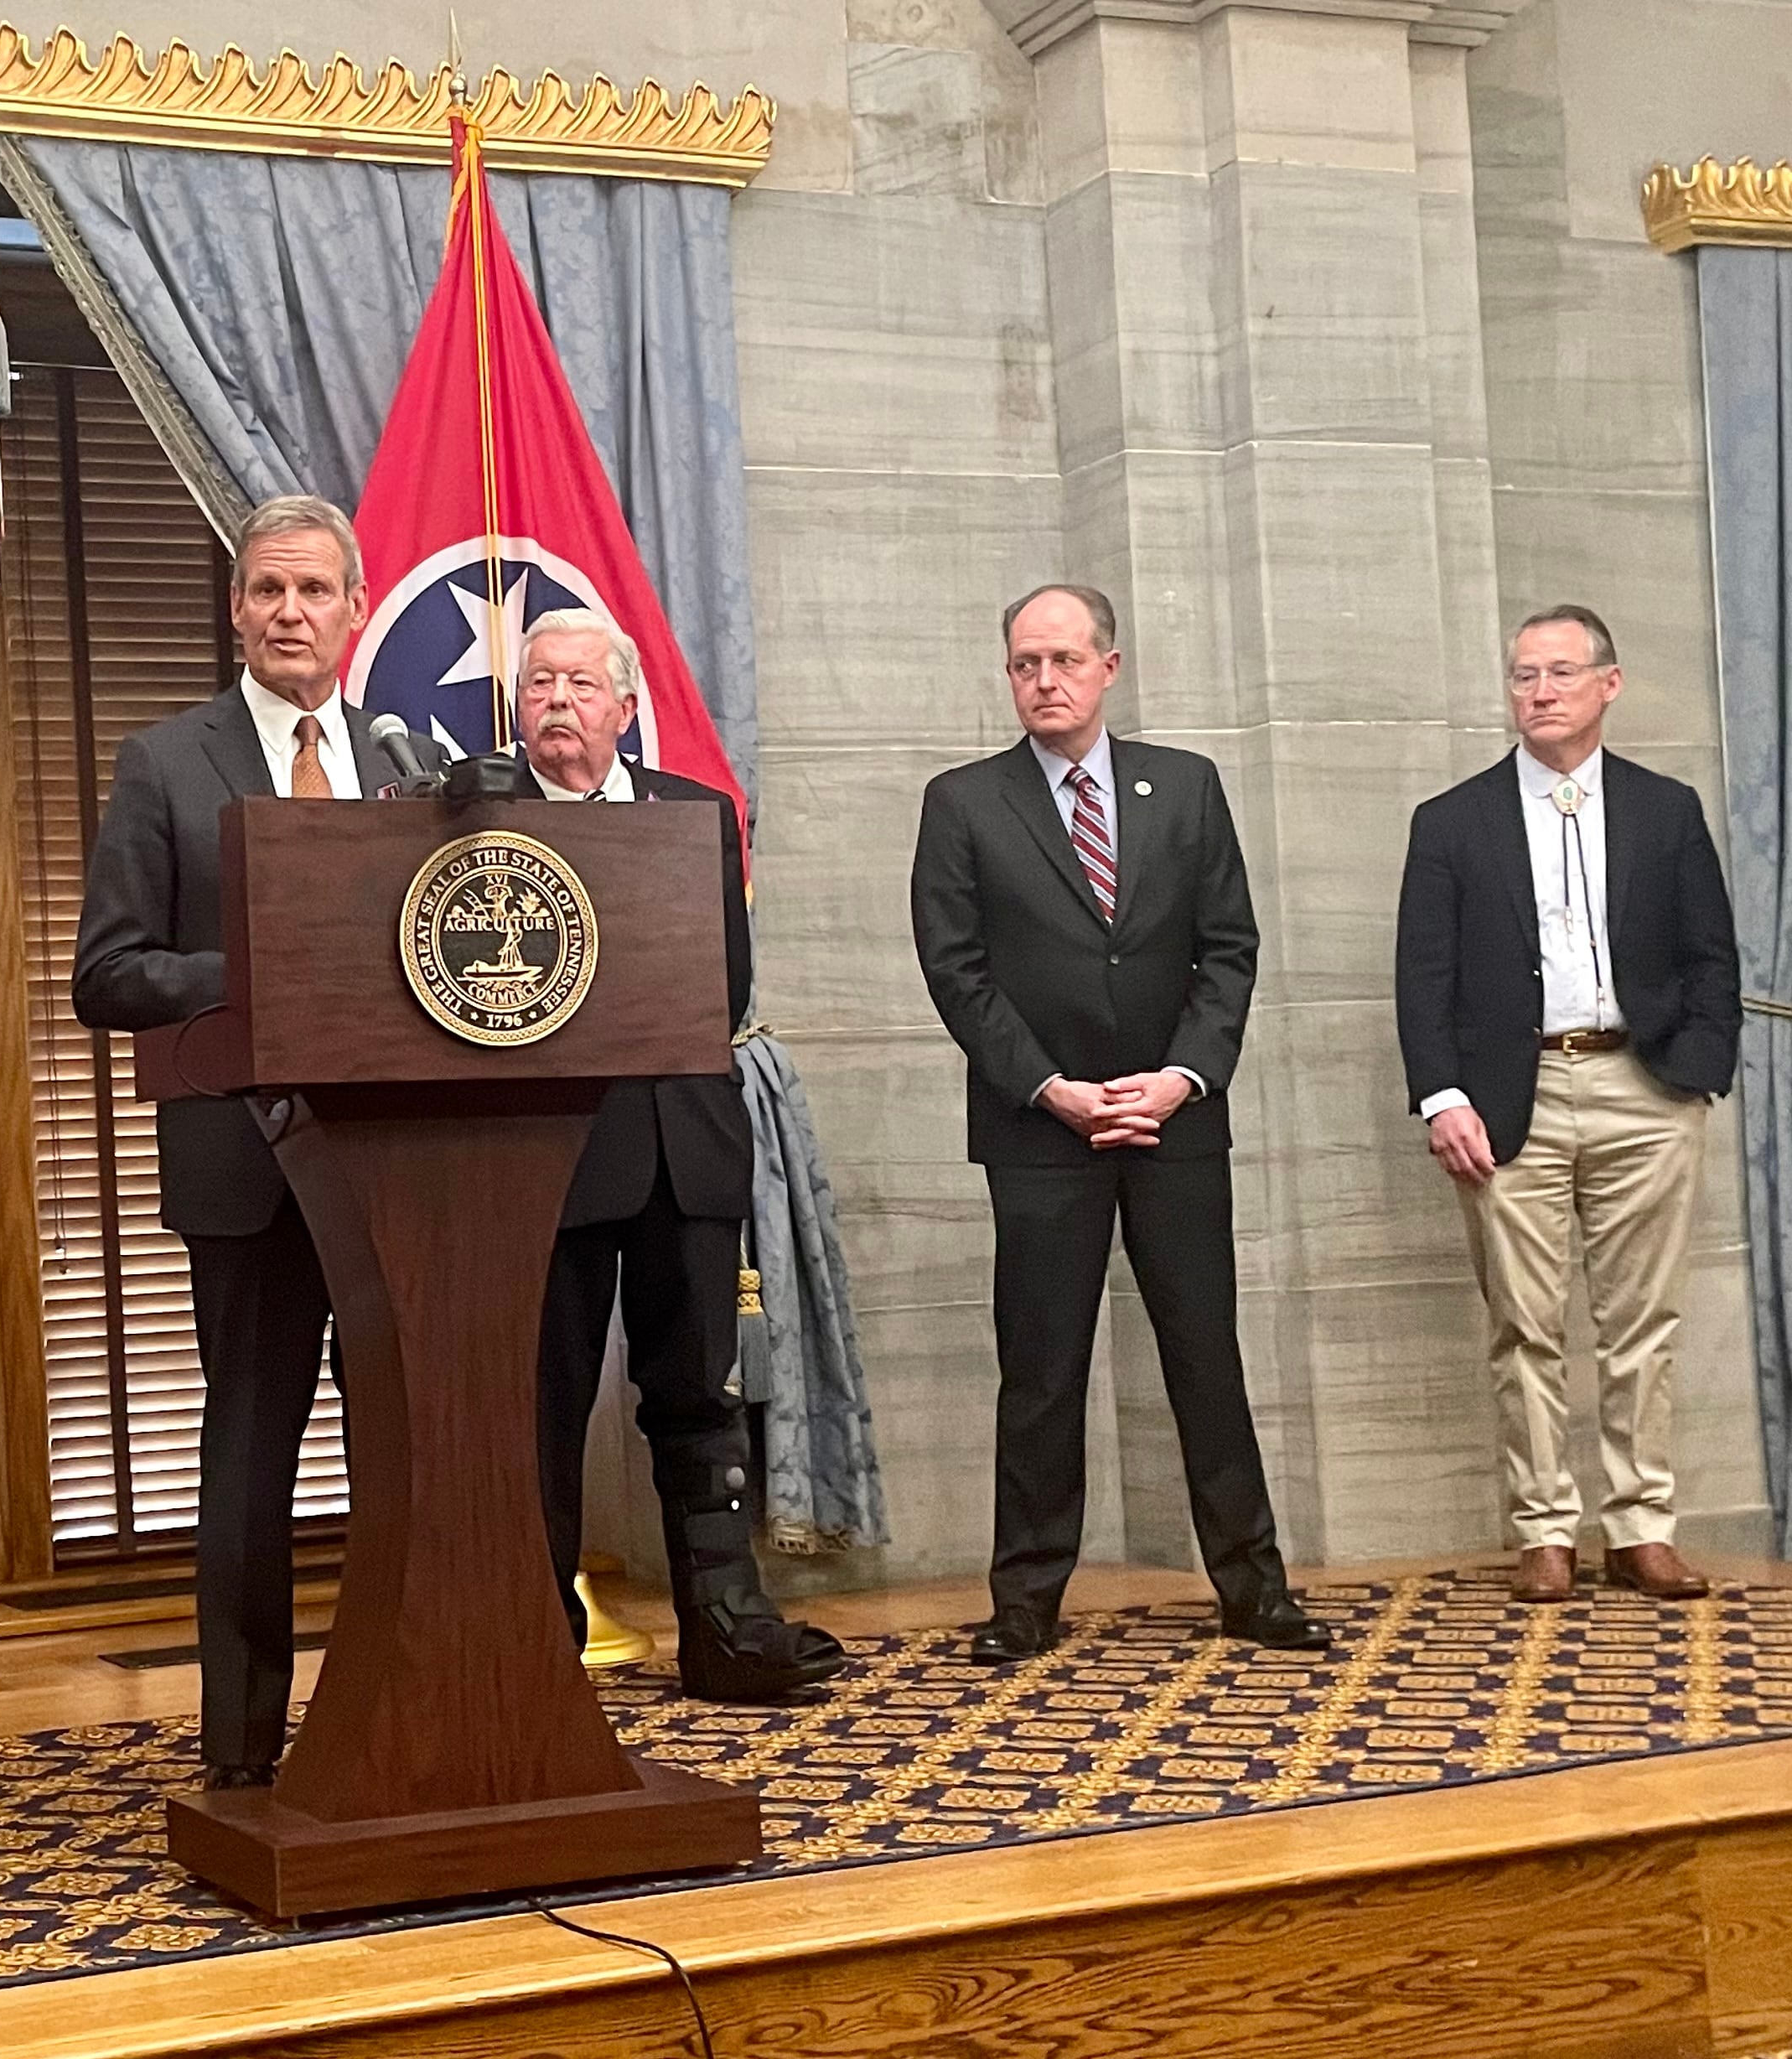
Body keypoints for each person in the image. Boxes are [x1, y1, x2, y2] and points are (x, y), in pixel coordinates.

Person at [909, 583, 1326, 1665]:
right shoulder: (964, 802)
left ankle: (1254, 1587)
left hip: (1175, 1125)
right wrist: (1052, 1090)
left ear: (1109, 666)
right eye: (1022, 665)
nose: (1042, 681)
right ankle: (1026, 1602)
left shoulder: (1185, 787)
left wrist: (1183, 1077)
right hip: (1041, 1131)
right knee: (1042, 1371)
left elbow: (1228, 948)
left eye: (1061, 660)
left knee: (1206, 1359)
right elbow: (957, 975)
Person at [72, 491, 401, 1788]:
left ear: (355, 611)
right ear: (234, 609)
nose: (290, 613)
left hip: (402, 1174)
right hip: (247, 1171)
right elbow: (110, 973)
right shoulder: (169, 761)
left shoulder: (401, 758)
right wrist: (261, 971)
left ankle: (399, 1702)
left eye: (314, 592)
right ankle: (245, 1747)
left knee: (409, 1451)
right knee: (251, 1459)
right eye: (267, 590)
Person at [513, 608, 843, 1702]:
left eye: (579, 683)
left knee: (701, 1399)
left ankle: (726, 1627)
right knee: (537, 1407)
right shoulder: (483, 822)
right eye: (540, 683)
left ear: (625, 705)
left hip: (681, 1150)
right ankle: (534, 1641)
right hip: (544, 1161)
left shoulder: (698, 816)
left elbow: (727, 988)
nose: (558, 701)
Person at [1395, 605, 1741, 1602]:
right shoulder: (1452, 822)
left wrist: (1701, 1068)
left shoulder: (1666, 809)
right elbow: (1423, 978)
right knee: (1525, 1324)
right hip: (1512, 1099)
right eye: (1522, 677)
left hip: (1648, 1085)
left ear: (1607, 685)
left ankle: (1642, 1527)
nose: (1539, 692)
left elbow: (1711, 955)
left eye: (1558, 673)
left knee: (1644, 1321)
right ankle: (1544, 1529)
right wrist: (1441, 1098)